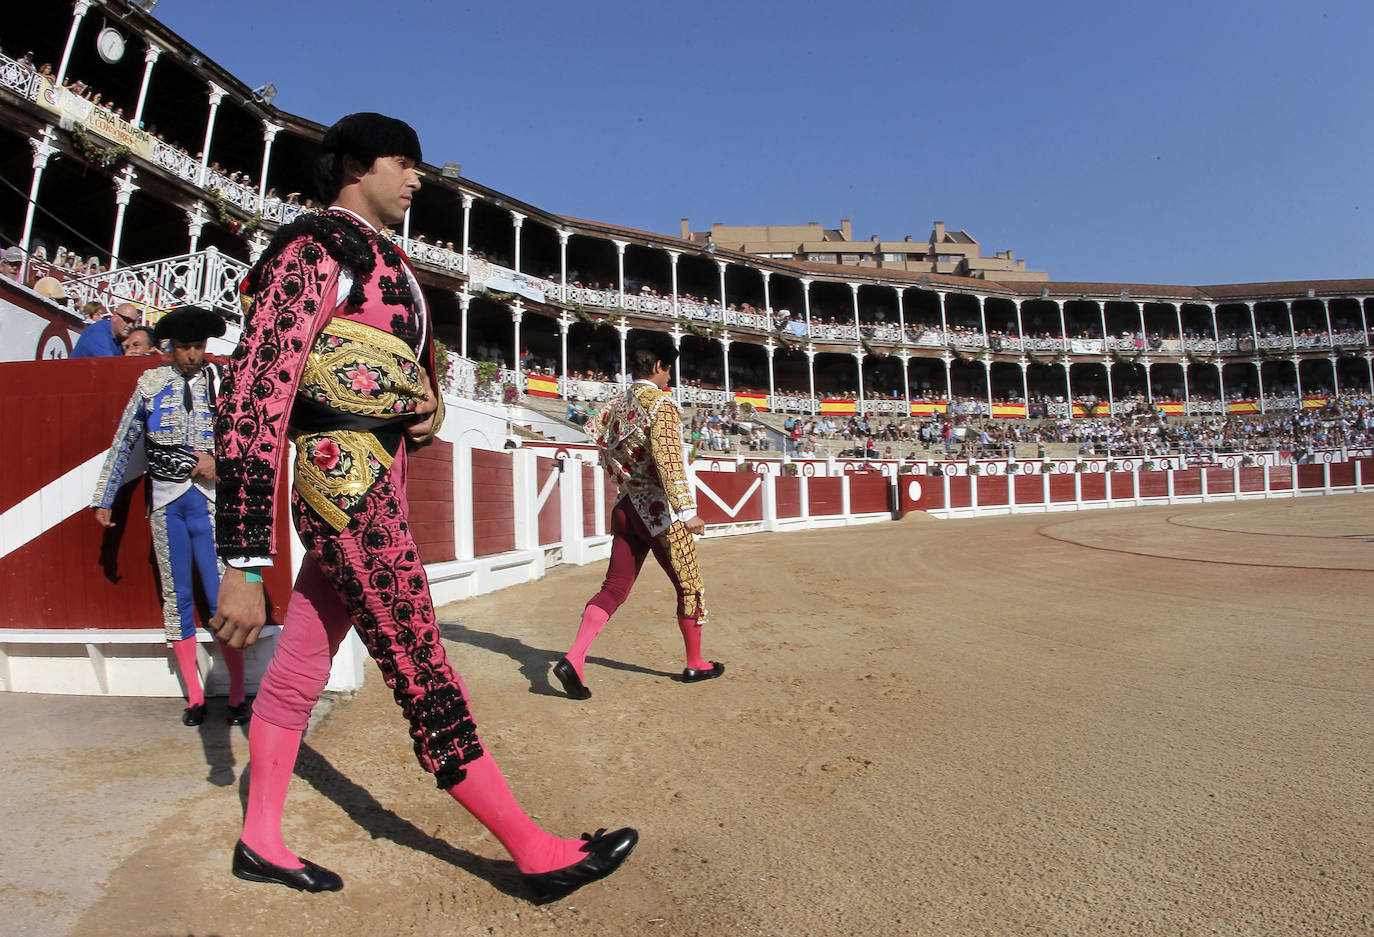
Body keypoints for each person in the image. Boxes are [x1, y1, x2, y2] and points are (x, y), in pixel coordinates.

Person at [210, 113, 636, 899]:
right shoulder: (315, 248)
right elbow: (256, 388)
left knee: (304, 656)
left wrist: (423, 404)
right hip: (345, 479)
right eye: (402, 161)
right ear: (355, 165)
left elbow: (416, 384)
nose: (417, 178)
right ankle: (532, 850)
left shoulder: (388, 262)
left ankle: (259, 837)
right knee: (418, 655)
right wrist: (241, 558)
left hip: (379, 472)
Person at [91, 307, 247, 726]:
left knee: (220, 599)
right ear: (170, 347)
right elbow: (124, 442)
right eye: (185, 347)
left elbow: (245, 441)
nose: (193, 355)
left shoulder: (223, 383)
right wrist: (105, 497)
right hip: (165, 503)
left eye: (198, 346)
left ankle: (235, 692)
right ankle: (195, 697)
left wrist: (219, 462)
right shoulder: (151, 384)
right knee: (176, 598)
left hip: (209, 501)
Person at [554, 334, 723, 701]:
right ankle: (695, 662)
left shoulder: (614, 407)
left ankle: (574, 658)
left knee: (614, 588)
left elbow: (604, 450)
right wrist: (688, 510)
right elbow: (669, 459)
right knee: (690, 586)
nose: (670, 378)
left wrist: (627, 482)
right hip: (660, 514)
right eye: (669, 370)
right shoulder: (662, 406)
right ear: (660, 367)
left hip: (626, 508)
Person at [72, 302, 139, 358]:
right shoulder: (98, 333)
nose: (130, 325)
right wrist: (127, 359)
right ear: (115, 318)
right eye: (127, 320)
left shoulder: (117, 335)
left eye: (133, 322)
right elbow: (110, 367)